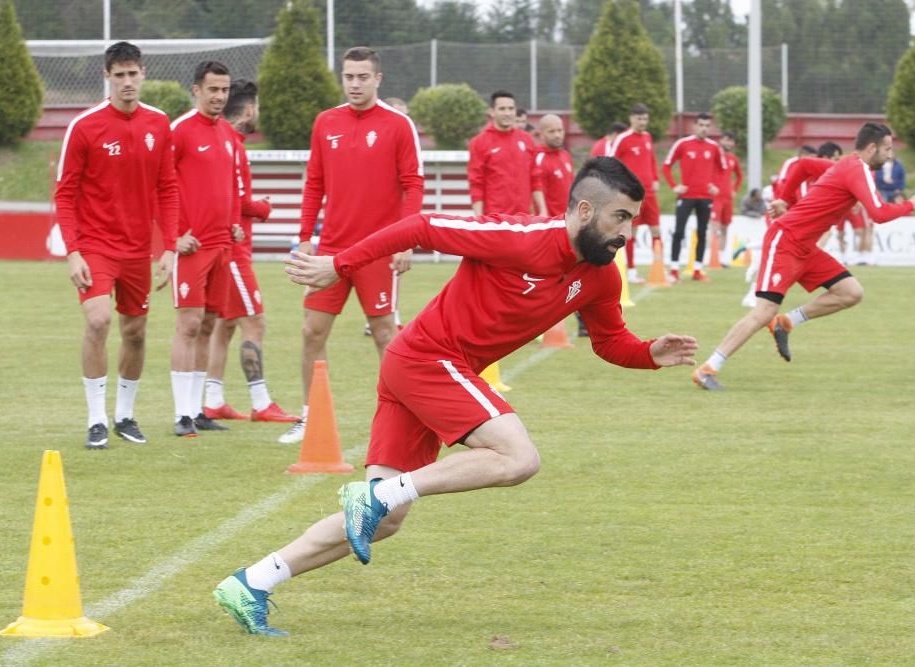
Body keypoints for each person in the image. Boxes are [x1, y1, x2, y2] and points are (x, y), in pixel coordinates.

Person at [213, 157, 699, 636]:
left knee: (384, 522)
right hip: (427, 359)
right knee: (518, 457)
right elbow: (423, 226)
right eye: (621, 218)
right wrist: (339, 265)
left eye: (632, 220)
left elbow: (610, 342)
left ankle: (252, 582)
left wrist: (648, 354)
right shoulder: (521, 238)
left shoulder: (601, 275)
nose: (627, 233)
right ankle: (377, 496)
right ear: (586, 211)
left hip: (426, 370)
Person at [691, 123, 915, 391]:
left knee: (850, 292)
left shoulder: (847, 166)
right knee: (764, 311)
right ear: (872, 147)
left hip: (805, 247)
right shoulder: (856, 168)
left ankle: (787, 321)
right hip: (786, 242)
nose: (890, 155)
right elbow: (879, 214)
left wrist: (784, 198)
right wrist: (911, 204)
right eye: (887, 149)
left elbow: (803, 165)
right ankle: (708, 368)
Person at [279, 46, 424, 445]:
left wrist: (407, 240)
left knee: (384, 333)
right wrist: (306, 239)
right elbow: (314, 183)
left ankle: (402, 417)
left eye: (363, 76)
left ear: (378, 79)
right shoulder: (326, 122)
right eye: (349, 76)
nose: (355, 83)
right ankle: (310, 417)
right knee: (312, 331)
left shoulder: (397, 125)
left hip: (379, 249)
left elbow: (413, 183)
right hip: (331, 253)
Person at [56, 41, 179, 449]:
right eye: (119, 75)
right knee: (97, 321)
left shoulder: (159, 123)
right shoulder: (85, 126)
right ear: (107, 77)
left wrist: (170, 246)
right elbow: (65, 193)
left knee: (137, 332)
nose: (127, 82)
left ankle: (124, 415)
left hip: (137, 249)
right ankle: (95, 419)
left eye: (133, 73)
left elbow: (167, 187)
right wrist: (73, 251)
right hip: (95, 246)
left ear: (143, 73)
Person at [201, 80, 298, 424]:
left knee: (224, 325)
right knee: (254, 322)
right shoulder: (233, 145)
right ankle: (260, 402)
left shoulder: (222, 139)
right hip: (233, 250)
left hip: (223, 246)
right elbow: (241, 202)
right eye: (256, 106)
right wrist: (264, 207)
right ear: (248, 110)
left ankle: (212, 399)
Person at [168, 61, 243, 437]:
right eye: (213, 89)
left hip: (220, 247)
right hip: (190, 248)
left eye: (225, 89)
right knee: (189, 324)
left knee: (210, 324)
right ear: (196, 90)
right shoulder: (179, 131)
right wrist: (172, 237)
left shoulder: (228, 135)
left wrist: (233, 224)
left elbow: (228, 185)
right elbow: (157, 186)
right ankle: (181, 413)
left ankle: (196, 410)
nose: (219, 96)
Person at [661, 112, 726, 282]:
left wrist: (716, 185)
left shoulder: (714, 147)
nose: (704, 129)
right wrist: (675, 186)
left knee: (702, 232)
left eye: (707, 126)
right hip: (686, 196)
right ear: (694, 126)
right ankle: (674, 269)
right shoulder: (682, 144)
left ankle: (698, 270)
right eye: (701, 125)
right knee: (679, 231)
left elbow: (723, 169)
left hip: (705, 197)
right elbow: (666, 166)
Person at [467, 90, 546, 217]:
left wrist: (542, 210)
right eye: (502, 109)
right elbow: (476, 183)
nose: (507, 113)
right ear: (492, 112)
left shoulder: (527, 140)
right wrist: (479, 217)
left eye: (511, 108)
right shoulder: (479, 142)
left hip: (523, 218)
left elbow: (535, 178)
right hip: (494, 220)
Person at [607, 103, 660, 284]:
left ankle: (658, 269)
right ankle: (631, 270)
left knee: (656, 230)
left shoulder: (647, 137)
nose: (642, 122)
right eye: (639, 118)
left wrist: (655, 178)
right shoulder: (623, 139)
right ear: (631, 119)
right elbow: (611, 161)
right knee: (632, 232)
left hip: (650, 193)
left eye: (645, 118)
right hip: (632, 195)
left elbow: (651, 159)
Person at [711, 131, 743, 265]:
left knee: (725, 228)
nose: (728, 143)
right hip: (715, 198)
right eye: (726, 140)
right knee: (714, 228)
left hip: (727, 199)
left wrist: (734, 190)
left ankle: (723, 259)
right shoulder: (714, 157)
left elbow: (740, 176)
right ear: (721, 141)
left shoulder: (733, 159)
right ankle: (711, 258)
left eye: (731, 141)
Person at [534, 114, 573, 217]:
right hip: (550, 222)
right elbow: (537, 190)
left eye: (560, 130)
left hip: (567, 220)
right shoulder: (538, 158)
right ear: (541, 135)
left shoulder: (566, 155)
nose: (557, 135)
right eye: (551, 131)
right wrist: (543, 214)